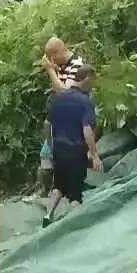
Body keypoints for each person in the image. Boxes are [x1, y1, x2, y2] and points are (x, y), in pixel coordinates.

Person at [44, 64, 101, 218]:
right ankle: (74, 225)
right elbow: (87, 129)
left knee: (58, 187)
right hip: (76, 152)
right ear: (87, 79)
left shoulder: (59, 98)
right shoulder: (84, 102)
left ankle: (48, 216)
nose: (93, 86)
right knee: (75, 194)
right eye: (93, 82)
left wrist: (50, 144)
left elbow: (47, 124)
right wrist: (94, 154)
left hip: (59, 150)